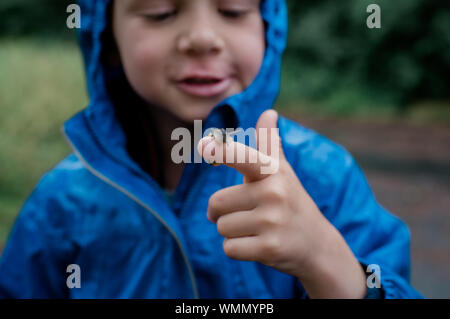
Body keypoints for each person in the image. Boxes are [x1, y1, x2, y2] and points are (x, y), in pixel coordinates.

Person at [0, 0, 422, 298]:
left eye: (233, 10)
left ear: (269, 24)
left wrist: (323, 259)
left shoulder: (326, 178)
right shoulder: (60, 205)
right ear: (106, 34)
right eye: (160, 12)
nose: (202, 38)